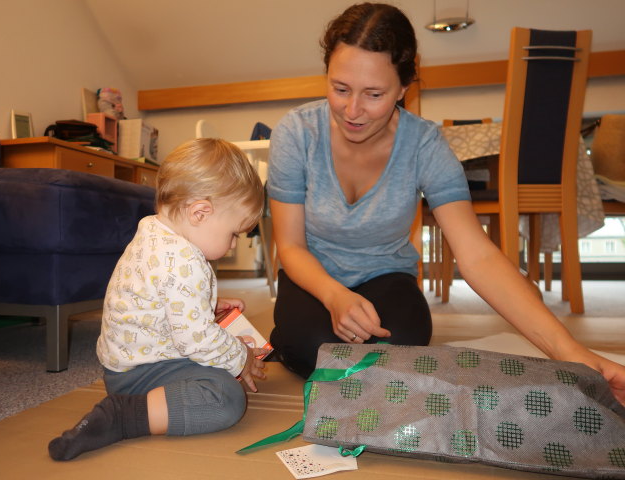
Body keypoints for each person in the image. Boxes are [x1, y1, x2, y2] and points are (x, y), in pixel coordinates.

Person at [267, 2, 625, 405]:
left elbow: (477, 256)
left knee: (405, 341)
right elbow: (291, 247)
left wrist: (570, 351)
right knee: (313, 345)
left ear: (404, 87)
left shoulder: (425, 144)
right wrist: (334, 296)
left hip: (385, 274)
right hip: (313, 276)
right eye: (340, 89)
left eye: (374, 94)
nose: (353, 111)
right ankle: (294, 333)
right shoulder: (296, 134)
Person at [48, 138, 269, 461]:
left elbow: (160, 296)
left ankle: (138, 404)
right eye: (234, 234)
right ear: (200, 213)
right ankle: (123, 416)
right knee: (226, 397)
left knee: (217, 366)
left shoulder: (154, 230)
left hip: (128, 364)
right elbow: (197, 339)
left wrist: (206, 303)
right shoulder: (184, 260)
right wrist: (242, 357)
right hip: (141, 375)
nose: (234, 245)